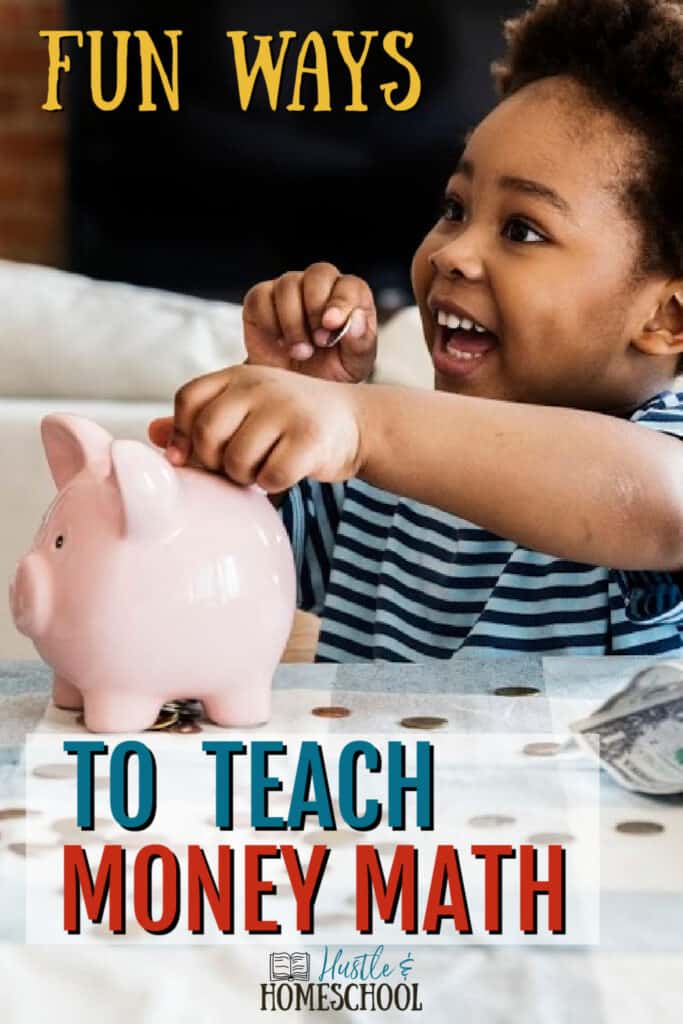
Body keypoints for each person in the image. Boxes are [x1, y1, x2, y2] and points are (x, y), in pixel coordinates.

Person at [149, 0, 683, 662]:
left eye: (521, 229)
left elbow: (660, 499)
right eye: (454, 209)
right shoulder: (387, 463)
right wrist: (288, 412)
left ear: (666, 318)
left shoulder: (662, 443)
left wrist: (359, 421)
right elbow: (239, 569)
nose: (451, 253)